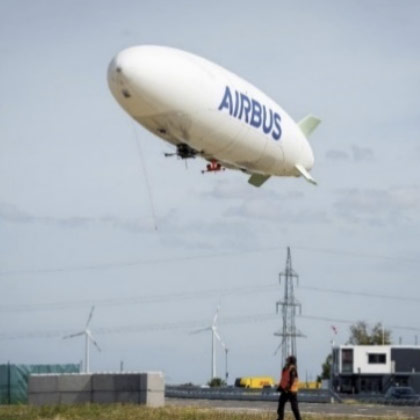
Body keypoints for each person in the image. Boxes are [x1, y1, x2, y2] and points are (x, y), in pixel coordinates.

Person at [276, 355, 302, 420]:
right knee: (281, 405)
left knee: (294, 407)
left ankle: (298, 419)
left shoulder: (292, 369)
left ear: (291, 361)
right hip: (285, 390)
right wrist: (281, 387)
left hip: (291, 391)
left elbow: (292, 380)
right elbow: (284, 378)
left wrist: (288, 387)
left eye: (288, 360)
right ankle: (280, 418)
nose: (286, 361)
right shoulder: (286, 368)